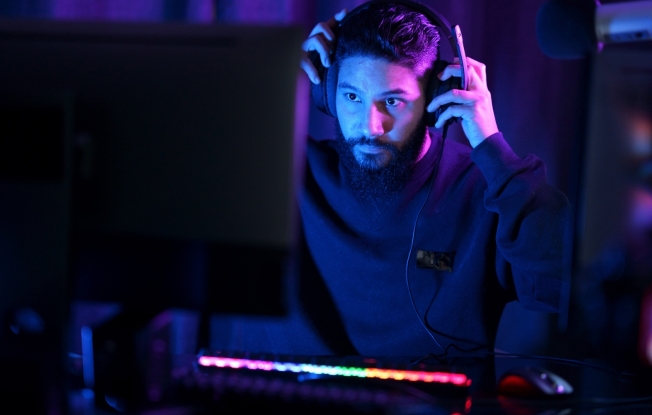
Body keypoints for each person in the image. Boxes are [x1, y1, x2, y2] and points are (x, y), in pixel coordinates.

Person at [221, 1, 571, 358]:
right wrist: (273, 82)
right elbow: (194, 181)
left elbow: (562, 285)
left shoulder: (485, 187)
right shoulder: (287, 170)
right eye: (353, 97)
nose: (371, 126)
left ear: (435, 97)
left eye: (393, 102)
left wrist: (493, 149)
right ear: (327, 92)